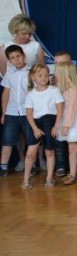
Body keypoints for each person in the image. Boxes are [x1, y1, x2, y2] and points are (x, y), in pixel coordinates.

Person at [22, 64, 63, 188]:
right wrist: (35, 129)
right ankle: (26, 179)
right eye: (40, 75)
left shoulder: (54, 90)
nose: (44, 78)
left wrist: (56, 126)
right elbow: (29, 113)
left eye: (46, 75)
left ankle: (49, 178)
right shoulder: (31, 93)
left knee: (49, 151)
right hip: (35, 124)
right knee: (30, 153)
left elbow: (60, 110)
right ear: (33, 77)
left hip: (49, 122)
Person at [0, 45, 30, 177]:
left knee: (32, 140)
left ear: (24, 55)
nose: (17, 59)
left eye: (18, 56)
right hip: (11, 112)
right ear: (9, 61)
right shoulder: (9, 74)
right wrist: (3, 113)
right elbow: (6, 93)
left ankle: (32, 165)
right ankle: (3, 167)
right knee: (7, 140)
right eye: (12, 58)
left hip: (28, 112)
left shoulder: (32, 71)